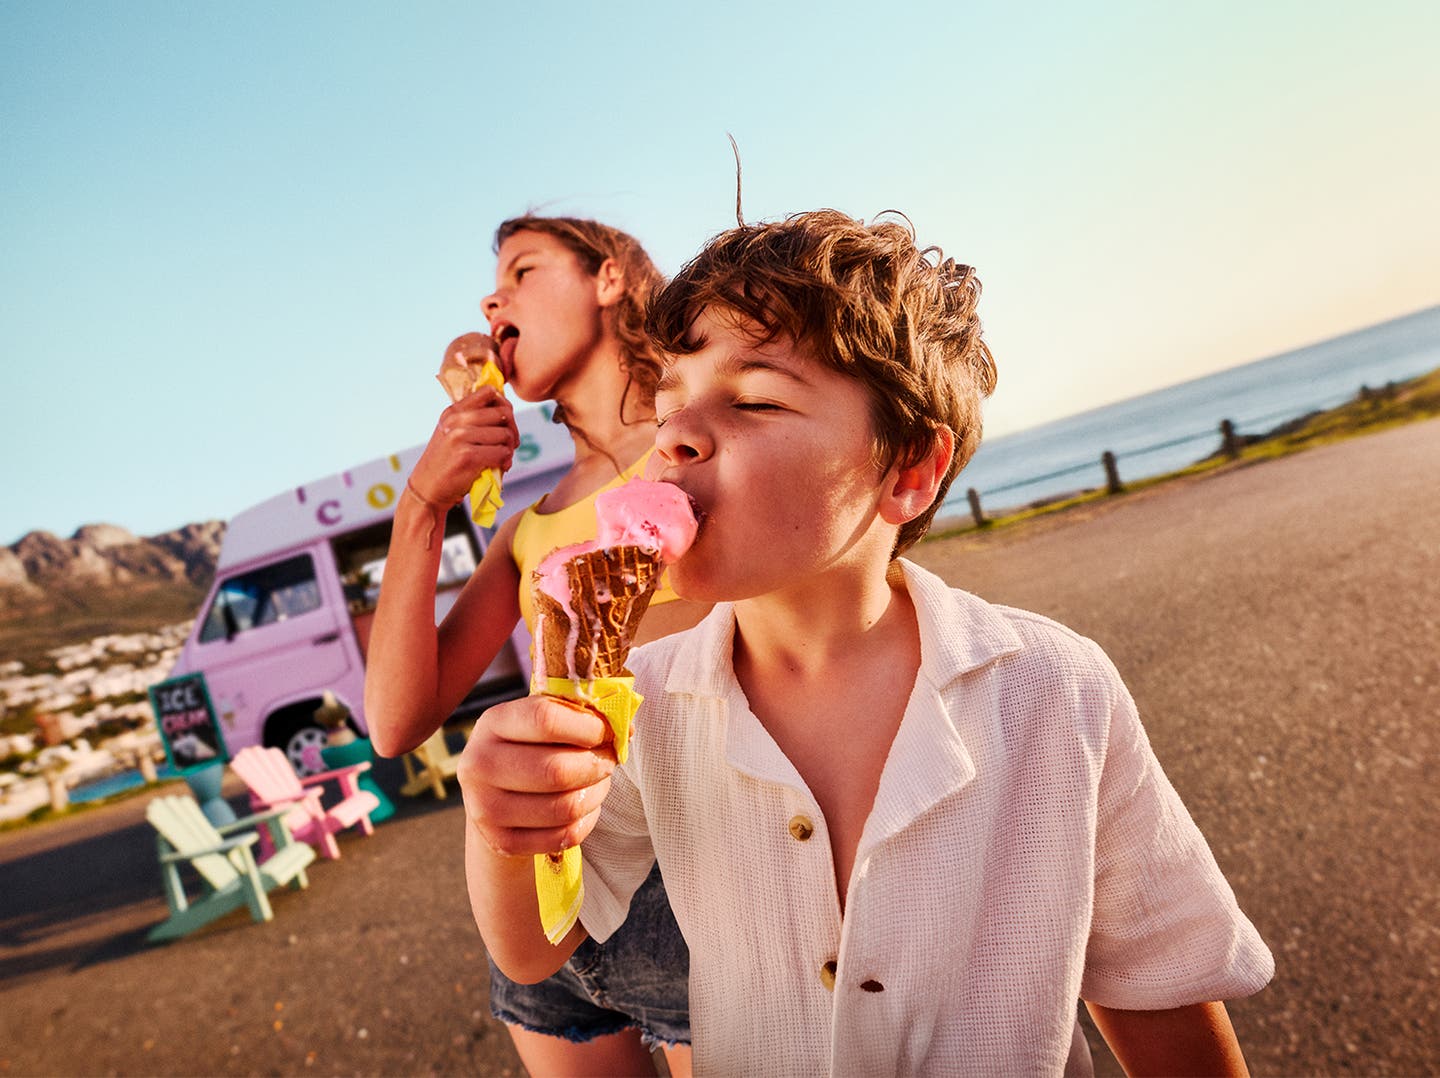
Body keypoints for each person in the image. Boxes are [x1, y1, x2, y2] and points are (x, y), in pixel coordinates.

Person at [456, 209, 1275, 1074]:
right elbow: (538, 948)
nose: (673, 436)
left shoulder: (1054, 690)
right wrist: (504, 832)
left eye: (757, 399)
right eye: (667, 404)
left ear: (909, 472)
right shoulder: (647, 702)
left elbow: (1161, 999)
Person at [364, 215, 707, 1076]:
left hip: (698, 876)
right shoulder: (527, 525)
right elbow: (396, 721)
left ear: (611, 279)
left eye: (522, 270)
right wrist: (422, 505)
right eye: (493, 285)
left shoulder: (698, 448)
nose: (491, 297)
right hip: (542, 901)